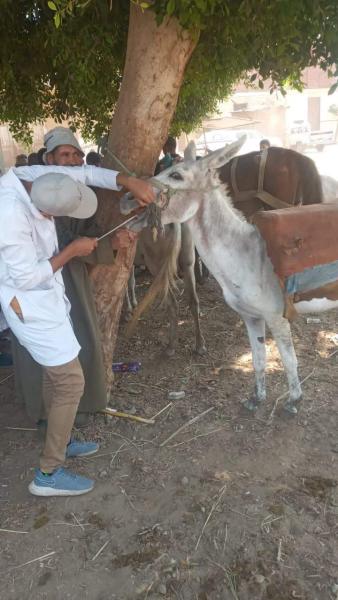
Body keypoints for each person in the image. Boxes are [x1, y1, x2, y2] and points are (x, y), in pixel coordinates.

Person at [11, 127, 155, 428]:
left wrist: (129, 183)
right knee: (43, 358)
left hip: (68, 283)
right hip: (31, 291)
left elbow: (88, 177)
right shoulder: (22, 195)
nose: (74, 160)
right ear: (48, 160)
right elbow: (53, 254)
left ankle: (69, 416)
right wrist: (101, 246)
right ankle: (46, 422)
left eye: (77, 154)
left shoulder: (69, 187)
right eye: (66, 154)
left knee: (77, 347)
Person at [0, 171, 103, 496]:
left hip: (46, 302)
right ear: (49, 211)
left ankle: (61, 436)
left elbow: (84, 171)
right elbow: (26, 278)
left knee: (55, 374)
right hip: (29, 306)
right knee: (70, 381)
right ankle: (48, 472)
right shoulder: (10, 215)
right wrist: (72, 250)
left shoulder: (30, 182)